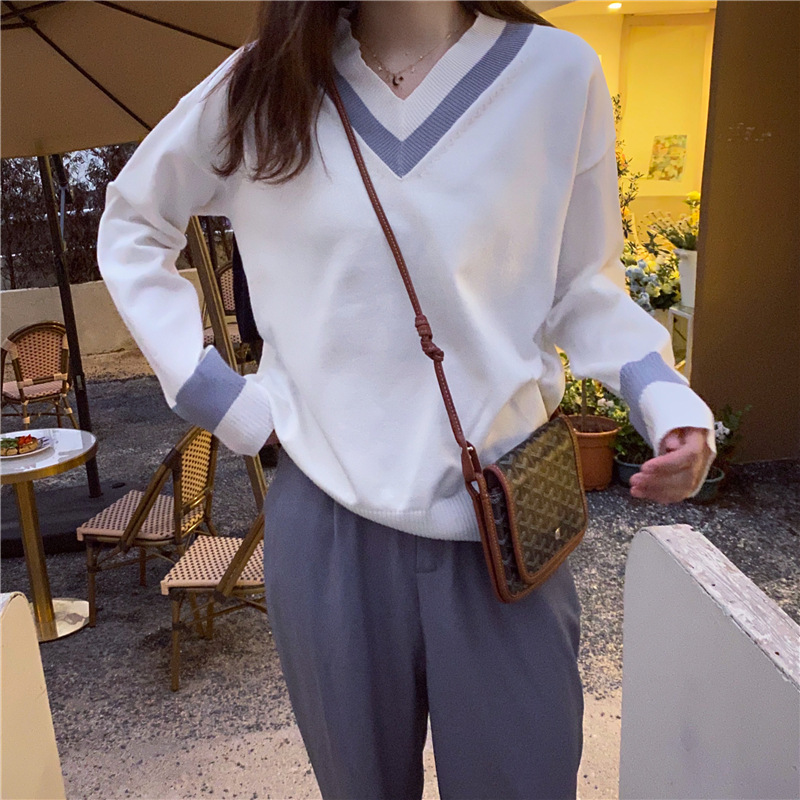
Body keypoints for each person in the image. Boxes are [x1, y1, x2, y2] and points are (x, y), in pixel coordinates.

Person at [97, 2, 715, 797]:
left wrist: (664, 399)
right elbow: (133, 221)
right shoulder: (267, 84)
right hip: (327, 525)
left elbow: (583, 285)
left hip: (503, 526)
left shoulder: (557, 75)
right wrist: (214, 395)